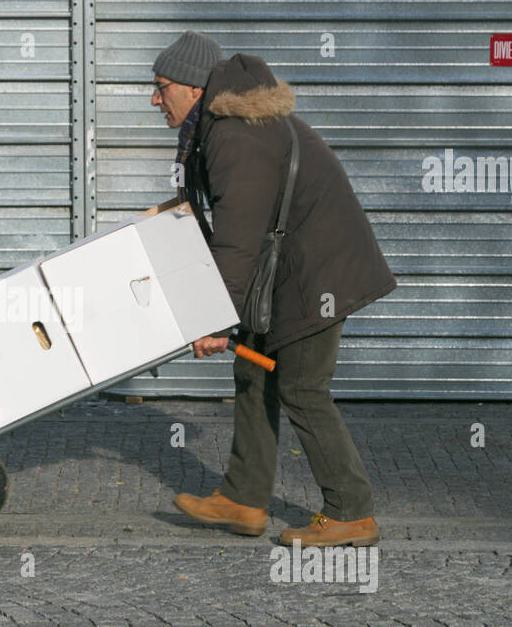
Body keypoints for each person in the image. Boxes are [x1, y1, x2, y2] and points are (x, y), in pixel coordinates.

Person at [153, 31, 396, 547]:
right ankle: (243, 499)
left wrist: (213, 319)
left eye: (162, 86)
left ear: (195, 89)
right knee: (253, 369)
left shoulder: (235, 134)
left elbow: (238, 241)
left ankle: (352, 511)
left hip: (318, 275)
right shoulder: (221, 128)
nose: (155, 99)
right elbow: (228, 221)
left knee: (302, 387)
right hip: (285, 270)